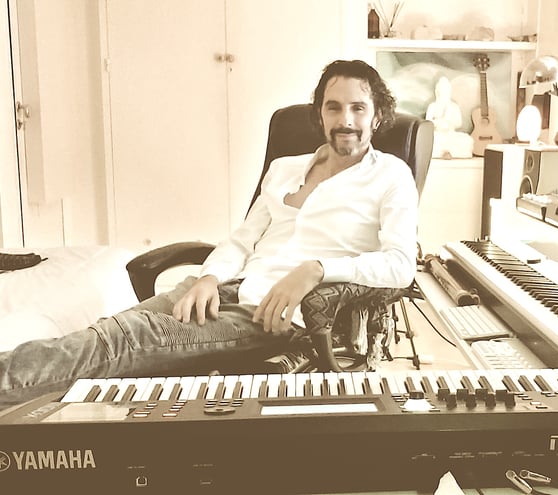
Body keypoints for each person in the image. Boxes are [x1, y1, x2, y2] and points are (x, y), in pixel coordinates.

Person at [0, 59, 419, 411]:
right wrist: (208, 278)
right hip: (227, 287)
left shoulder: (390, 176)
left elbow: (401, 264)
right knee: (109, 330)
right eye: (334, 107)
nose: (345, 121)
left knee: (123, 341)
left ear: (377, 115)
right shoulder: (285, 169)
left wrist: (317, 270)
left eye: (358, 108)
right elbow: (241, 240)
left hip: (272, 313)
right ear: (320, 114)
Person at [425, 76, 473, 159]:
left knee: (467, 140)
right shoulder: (432, 106)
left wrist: (449, 123)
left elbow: (459, 123)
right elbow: (427, 123)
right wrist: (438, 123)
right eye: (442, 91)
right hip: (438, 135)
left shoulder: (454, 106)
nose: (444, 93)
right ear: (437, 92)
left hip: (451, 134)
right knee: (429, 141)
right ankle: (442, 152)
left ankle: (449, 152)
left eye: (446, 91)